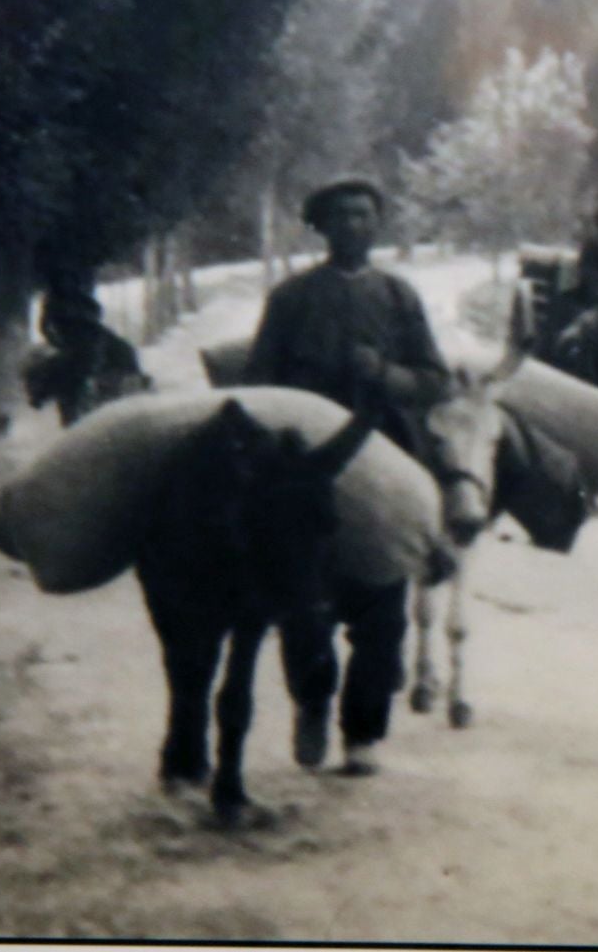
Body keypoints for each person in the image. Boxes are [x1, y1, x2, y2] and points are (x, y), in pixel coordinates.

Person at [241, 177, 451, 777]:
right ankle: (311, 703)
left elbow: (434, 380)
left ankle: (362, 734)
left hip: (380, 460)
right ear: (322, 227)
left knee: (383, 599)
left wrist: (386, 373)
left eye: (364, 215)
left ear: (377, 225)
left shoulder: (399, 297)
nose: (354, 225)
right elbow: (258, 380)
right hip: (306, 467)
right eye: (341, 216)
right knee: (302, 602)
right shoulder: (291, 299)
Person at [25, 291, 148, 427]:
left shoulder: (89, 342)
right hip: (107, 402)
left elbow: (82, 366)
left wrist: (41, 391)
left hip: (110, 405)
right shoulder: (87, 341)